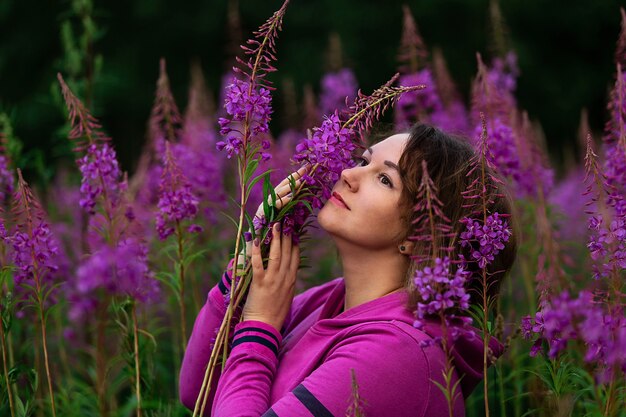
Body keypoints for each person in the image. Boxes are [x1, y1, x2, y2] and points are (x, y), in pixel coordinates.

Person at [179, 123, 517, 416]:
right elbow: (200, 394)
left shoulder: (398, 354)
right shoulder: (326, 303)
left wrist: (259, 325)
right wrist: (247, 265)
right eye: (363, 161)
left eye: (384, 179)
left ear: (422, 237)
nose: (348, 174)